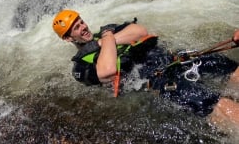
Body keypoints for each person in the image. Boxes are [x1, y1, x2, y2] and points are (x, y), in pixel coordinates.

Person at [52, 9, 239, 128]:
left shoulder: (105, 32)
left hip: (170, 59)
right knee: (208, 101)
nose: (83, 27)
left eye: (81, 22)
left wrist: (102, 40)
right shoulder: (80, 67)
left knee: (223, 65)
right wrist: (109, 39)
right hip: (154, 81)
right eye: (76, 28)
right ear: (68, 38)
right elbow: (108, 70)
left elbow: (140, 31)